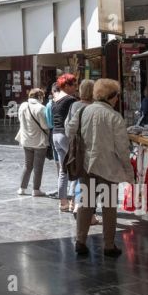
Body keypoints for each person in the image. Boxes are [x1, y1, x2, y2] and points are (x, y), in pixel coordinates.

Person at [65, 79, 134, 257]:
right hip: (109, 168)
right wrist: (128, 171)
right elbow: (122, 148)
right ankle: (109, 245)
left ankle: (80, 241)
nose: (118, 99)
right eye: (117, 96)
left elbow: (69, 130)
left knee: (86, 204)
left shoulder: (83, 111)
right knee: (109, 207)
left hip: (87, 166)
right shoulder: (114, 117)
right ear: (111, 97)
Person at [67, 80, 100, 226]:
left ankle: (76, 205)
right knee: (92, 183)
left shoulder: (74, 105)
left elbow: (67, 126)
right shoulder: (95, 108)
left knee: (82, 178)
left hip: (77, 147)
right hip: (92, 148)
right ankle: (89, 214)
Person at [48, 74, 78, 210]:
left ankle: (63, 202)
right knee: (75, 168)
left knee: (63, 170)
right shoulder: (70, 100)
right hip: (65, 135)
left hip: (55, 135)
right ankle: (73, 201)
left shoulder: (54, 100)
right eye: (73, 85)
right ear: (66, 85)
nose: (75, 87)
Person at [16, 88, 51, 197]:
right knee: (38, 167)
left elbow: (20, 120)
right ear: (40, 97)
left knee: (27, 165)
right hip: (39, 141)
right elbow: (45, 125)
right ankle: (36, 190)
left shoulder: (22, 105)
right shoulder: (41, 108)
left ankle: (22, 188)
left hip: (26, 140)